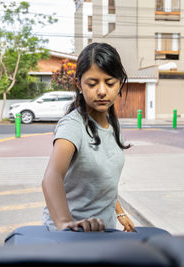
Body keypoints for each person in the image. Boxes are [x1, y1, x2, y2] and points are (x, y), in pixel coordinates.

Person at [41, 42, 135, 232]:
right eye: (92, 84)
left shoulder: (112, 123)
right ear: (79, 84)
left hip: (104, 231)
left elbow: (103, 181)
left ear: (120, 83)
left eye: (110, 83)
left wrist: (120, 212)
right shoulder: (73, 126)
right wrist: (65, 223)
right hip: (74, 235)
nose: (101, 91)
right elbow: (52, 176)